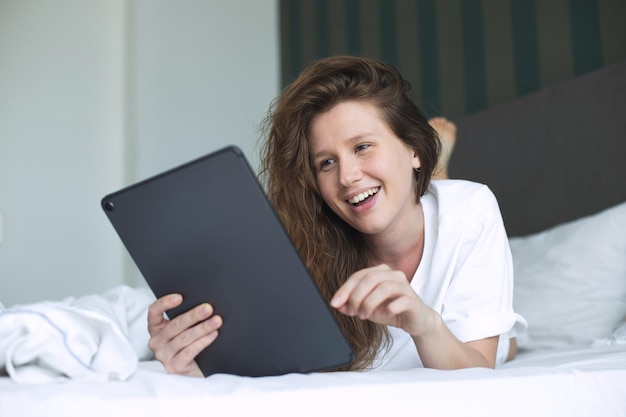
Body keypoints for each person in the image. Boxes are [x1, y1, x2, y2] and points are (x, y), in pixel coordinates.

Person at [147, 55, 526, 377]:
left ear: (413, 148)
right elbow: (280, 375)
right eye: (326, 162)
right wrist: (198, 370)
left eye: (362, 147)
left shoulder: (470, 210)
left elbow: (478, 374)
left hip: (462, 325)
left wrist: (424, 322)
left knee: (503, 342)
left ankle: (437, 174)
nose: (346, 177)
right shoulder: (305, 248)